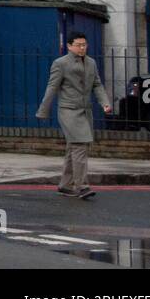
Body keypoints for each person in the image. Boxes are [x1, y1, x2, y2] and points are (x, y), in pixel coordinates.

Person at [36, 32, 112, 199]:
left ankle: (65, 185)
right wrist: (43, 110)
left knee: (74, 148)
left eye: (84, 44)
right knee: (80, 146)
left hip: (86, 111)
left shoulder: (91, 63)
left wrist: (105, 102)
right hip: (69, 111)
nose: (82, 48)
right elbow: (52, 87)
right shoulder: (60, 64)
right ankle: (82, 186)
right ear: (69, 46)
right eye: (78, 45)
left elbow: (97, 84)